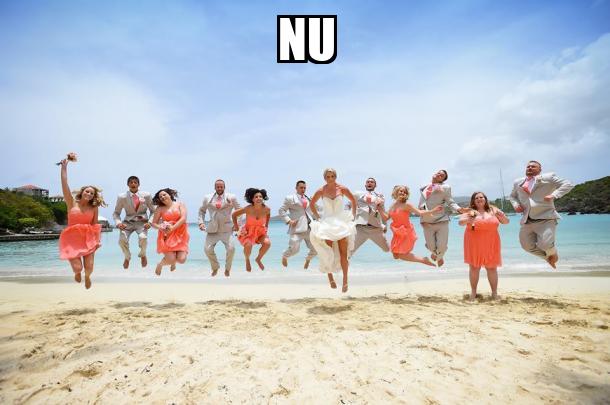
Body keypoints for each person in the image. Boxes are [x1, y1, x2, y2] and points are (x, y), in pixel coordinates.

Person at [509, 160, 573, 269]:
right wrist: (516, 205)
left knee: (545, 245)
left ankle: (553, 253)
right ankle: (547, 258)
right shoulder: (518, 182)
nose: (530, 168)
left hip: (546, 218)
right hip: (527, 219)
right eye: (528, 166)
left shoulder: (549, 177)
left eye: (533, 166)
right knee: (526, 246)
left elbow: (568, 184)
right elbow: (512, 196)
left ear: (540, 170)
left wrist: (554, 195)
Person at [58, 155, 105, 289]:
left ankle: (87, 276)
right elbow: (65, 185)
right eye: (87, 191)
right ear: (82, 192)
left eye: (92, 193)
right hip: (71, 239)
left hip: (88, 238)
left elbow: (95, 225)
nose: (89, 194)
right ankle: (78, 273)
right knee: (78, 267)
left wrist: (97, 241)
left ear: (94, 196)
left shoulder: (94, 207)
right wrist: (64, 168)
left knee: (89, 267)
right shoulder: (71, 202)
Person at [309, 168, 357, 293]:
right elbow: (311, 204)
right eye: (327, 176)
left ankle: (345, 280)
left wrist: (353, 216)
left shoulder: (342, 188)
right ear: (324, 178)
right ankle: (330, 278)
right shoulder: (321, 190)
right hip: (327, 224)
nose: (330, 178)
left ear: (335, 176)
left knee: (343, 253)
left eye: (332, 176)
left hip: (341, 223)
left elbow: (353, 201)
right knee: (328, 252)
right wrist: (318, 217)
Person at [459, 192, 509, 300]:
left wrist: (502, 216)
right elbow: (461, 222)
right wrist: (469, 219)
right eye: (476, 198)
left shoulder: (493, 209)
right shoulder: (470, 211)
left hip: (491, 242)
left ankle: (494, 293)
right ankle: (473, 293)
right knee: (474, 267)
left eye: (481, 197)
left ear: (485, 199)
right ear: (473, 201)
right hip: (474, 243)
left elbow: (506, 222)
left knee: (492, 268)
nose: (479, 199)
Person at [378, 185, 442, 267]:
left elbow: (420, 213)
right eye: (401, 191)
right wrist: (379, 209)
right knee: (395, 255)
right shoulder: (393, 205)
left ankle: (423, 260)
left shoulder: (406, 205)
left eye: (405, 192)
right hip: (397, 233)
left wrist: (433, 210)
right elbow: (386, 218)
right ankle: (422, 260)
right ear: (396, 192)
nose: (403, 193)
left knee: (402, 255)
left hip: (406, 232)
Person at [418, 169, 468, 267]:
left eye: (442, 175)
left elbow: (450, 202)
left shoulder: (445, 187)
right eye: (438, 173)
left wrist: (459, 209)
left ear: (442, 180)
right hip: (427, 221)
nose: (439, 175)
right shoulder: (424, 186)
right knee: (431, 247)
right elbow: (422, 203)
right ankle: (437, 254)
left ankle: (439, 256)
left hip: (441, 220)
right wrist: (421, 215)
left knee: (442, 246)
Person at [198, 180, 241, 277]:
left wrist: (237, 224)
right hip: (212, 229)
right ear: (215, 187)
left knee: (231, 249)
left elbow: (239, 210)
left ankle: (227, 269)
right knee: (207, 250)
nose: (219, 188)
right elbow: (202, 211)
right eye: (217, 187)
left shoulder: (232, 197)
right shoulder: (207, 198)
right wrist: (201, 223)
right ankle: (215, 267)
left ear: (224, 187)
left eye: (221, 187)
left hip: (227, 229)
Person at [112, 176, 155, 269]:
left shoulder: (147, 195)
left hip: (142, 223)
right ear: (128, 184)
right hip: (127, 223)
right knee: (122, 240)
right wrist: (118, 223)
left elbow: (153, 211)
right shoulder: (122, 197)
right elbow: (116, 213)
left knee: (143, 238)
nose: (133, 184)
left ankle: (143, 255)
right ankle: (127, 257)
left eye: (135, 182)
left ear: (139, 184)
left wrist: (150, 222)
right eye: (131, 182)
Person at [278, 180, 317, 269]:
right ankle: (285, 256)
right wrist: (289, 221)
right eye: (301, 187)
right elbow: (281, 210)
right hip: (297, 228)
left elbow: (316, 210)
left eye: (304, 188)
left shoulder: (309, 198)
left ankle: (308, 259)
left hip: (309, 228)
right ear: (296, 188)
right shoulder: (290, 198)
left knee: (316, 249)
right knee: (295, 250)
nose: (303, 189)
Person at [151, 188, 189, 276]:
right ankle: (160, 264)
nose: (162, 197)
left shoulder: (180, 204)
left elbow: (183, 218)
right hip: (167, 235)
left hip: (181, 234)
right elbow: (153, 223)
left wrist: (173, 227)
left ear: (169, 195)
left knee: (181, 260)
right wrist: (161, 228)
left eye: (164, 195)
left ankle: (173, 262)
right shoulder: (160, 208)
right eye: (160, 197)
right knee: (171, 259)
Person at [232, 188, 271, 272]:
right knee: (248, 245)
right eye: (256, 197)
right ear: (252, 199)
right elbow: (234, 215)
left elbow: (268, 215)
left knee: (267, 243)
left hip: (260, 232)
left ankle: (258, 259)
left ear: (263, 198)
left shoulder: (267, 209)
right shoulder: (248, 208)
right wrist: (237, 227)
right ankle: (247, 259)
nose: (258, 198)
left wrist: (266, 226)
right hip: (248, 232)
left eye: (260, 196)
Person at [349, 177, 390, 255]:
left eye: (372, 182)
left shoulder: (380, 196)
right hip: (361, 228)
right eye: (368, 182)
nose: (369, 183)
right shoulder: (357, 194)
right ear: (365, 185)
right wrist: (350, 220)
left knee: (387, 249)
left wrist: (385, 225)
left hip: (376, 228)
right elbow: (348, 205)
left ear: (375, 185)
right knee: (350, 252)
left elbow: (382, 211)